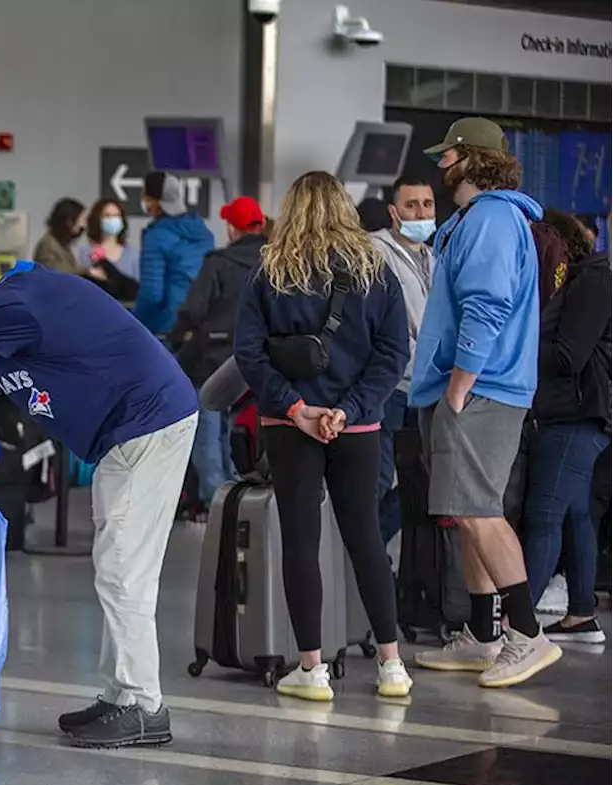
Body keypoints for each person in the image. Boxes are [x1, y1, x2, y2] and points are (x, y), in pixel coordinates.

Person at [0, 261, 199, 748]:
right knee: (116, 564)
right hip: (130, 430)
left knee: (123, 569)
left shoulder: (11, 302)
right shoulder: (9, 315)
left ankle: (144, 705)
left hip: (147, 423)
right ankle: (120, 695)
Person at [233, 171, 412, 702]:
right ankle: (391, 664)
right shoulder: (375, 270)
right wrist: (349, 408)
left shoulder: (270, 270)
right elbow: (392, 354)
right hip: (358, 427)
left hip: (290, 427)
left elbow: (250, 354)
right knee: (366, 542)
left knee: (302, 543)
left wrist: (296, 407)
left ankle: (311, 670)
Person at [409, 117, 561, 688]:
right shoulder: (479, 219)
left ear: (470, 159)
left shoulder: (493, 218)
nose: (440, 166)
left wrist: (459, 384)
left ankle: (527, 635)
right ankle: (483, 635)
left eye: (446, 156)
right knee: (465, 512)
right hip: (476, 387)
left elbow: (488, 304)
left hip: (480, 390)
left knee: (478, 511)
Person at [524, 211, 613, 645]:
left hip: (577, 414)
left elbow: (567, 357)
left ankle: (517, 633)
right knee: (576, 513)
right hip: (576, 412)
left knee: (543, 515)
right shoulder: (582, 279)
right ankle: (581, 613)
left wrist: (515, 351)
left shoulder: (593, 282)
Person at [171, 195, 267, 507]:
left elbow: (194, 309)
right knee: (238, 430)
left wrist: (174, 339)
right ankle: (240, 498)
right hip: (255, 359)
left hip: (211, 358)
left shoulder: (218, 263)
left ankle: (216, 499)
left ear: (232, 229)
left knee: (208, 431)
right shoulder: (273, 261)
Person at [369, 176, 435, 550]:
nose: (421, 212)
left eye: (427, 204)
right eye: (412, 205)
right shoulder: (374, 252)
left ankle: (368, 552)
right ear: (395, 211)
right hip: (387, 385)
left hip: (424, 387)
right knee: (377, 482)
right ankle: (361, 559)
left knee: (422, 482)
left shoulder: (432, 256)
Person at [136, 171, 214, 334]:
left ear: (155, 202)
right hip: (198, 325)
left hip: (165, 328)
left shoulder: (156, 237)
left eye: (145, 195)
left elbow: (152, 294)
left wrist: (133, 322)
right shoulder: (204, 233)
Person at [80, 198, 139, 302]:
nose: (112, 220)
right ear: (98, 219)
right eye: (107, 216)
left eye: (116, 216)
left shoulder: (133, 255)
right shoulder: (86, 253)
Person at [32, 198, 86, 275]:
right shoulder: (49, 246)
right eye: (82, 220)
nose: (83, 225)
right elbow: (59, 274)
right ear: (69, 221)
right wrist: (86, 272)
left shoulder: (61, 244)